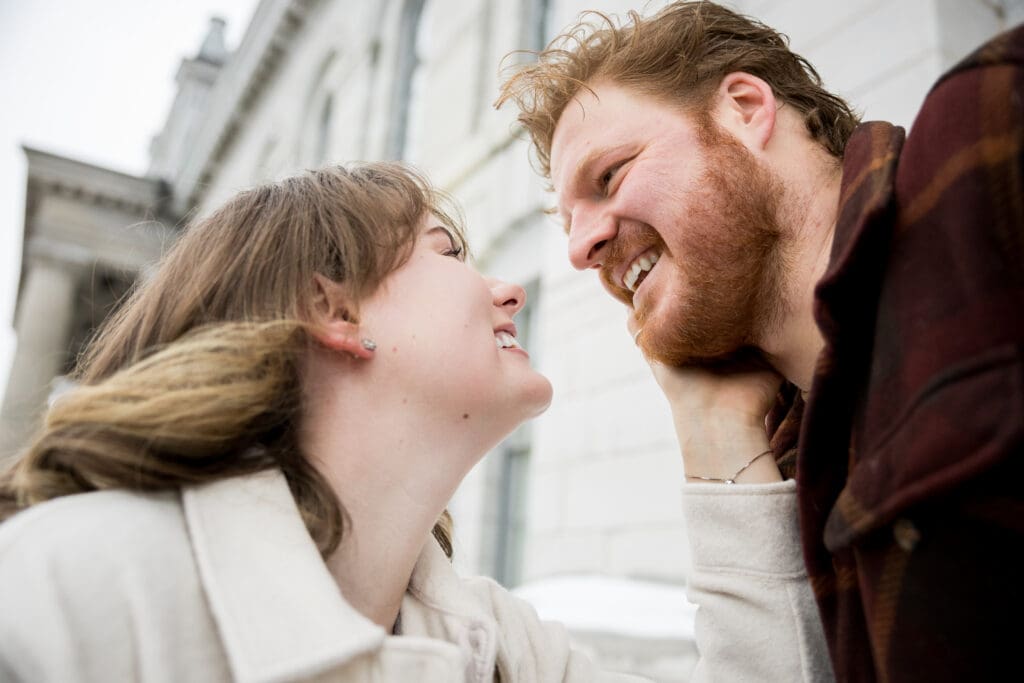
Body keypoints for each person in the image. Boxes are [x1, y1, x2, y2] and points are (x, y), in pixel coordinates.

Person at [0, 162, 827, 681]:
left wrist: (715, 433)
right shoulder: (64, 591)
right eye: (446, 251)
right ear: (332, 307)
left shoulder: (499, 646)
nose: (511, 290)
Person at [497, 2, 1024, 681]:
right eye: (569, 221)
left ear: (746, 109)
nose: (580, 247)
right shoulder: (787, 464)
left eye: (611, 176)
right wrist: (716, 436)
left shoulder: (987, 131)